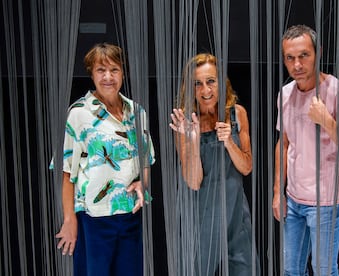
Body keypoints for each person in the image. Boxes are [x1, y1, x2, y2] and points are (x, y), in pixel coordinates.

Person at [272, 25, 339, 276]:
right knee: (291, 270)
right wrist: (277, 191)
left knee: (324, 270)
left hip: (327, 203)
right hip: (294, 200)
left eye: (304, 55)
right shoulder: (285, 94)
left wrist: (327, 121)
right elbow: (284, 142)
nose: (297, 64)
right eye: (290, 58)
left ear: (318, 53)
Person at [55, 43, 155, 276]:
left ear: (122, 72)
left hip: (129, 216)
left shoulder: (136, 112)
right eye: (101, 70)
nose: (108, 77)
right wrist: (69, 220)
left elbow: (146, 160)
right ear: (92, 73)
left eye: (114, 69)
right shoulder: (79, 114)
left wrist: (144, 183)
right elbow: (68, 172)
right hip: (94, 219)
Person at [169, 53, 259, 275]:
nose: (205, 90)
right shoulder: (186, 122)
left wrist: (229, 141)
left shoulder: (237, 114)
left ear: (221, 82)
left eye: (210, 81)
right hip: (201, 220)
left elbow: (247, 167)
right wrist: (193, 141)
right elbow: (193, 181)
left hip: (236, 216)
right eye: (197, 84)